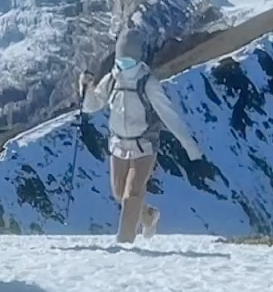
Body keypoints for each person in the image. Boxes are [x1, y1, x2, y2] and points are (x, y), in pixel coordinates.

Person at [81, 26, 205, 244]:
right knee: (120, 193)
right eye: (121, 58)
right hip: (118, 144)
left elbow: (169, 116)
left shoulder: (148, 83)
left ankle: (125, 244)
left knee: (132, 194)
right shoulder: (111, 80)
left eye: (127, 59)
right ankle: (149, 217)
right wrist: (87, 88)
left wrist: (190, 146)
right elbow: (92, 106)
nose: (123, 63)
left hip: (145, 145)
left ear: (138, 58)